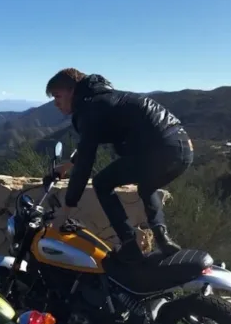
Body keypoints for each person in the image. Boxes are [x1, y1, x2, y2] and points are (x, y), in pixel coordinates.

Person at [43, 68, 194, 261]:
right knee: (147, 185)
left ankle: (129, 244)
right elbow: (88, 145)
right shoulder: (106, 100)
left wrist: (65, 211)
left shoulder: (90, 109)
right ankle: (162, 237)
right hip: (183, 150)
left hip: (159, 149)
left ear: (72, 90)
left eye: (58, 96)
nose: (56, 103)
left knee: (102, 183)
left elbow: (86, 164)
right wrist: (67, 165)